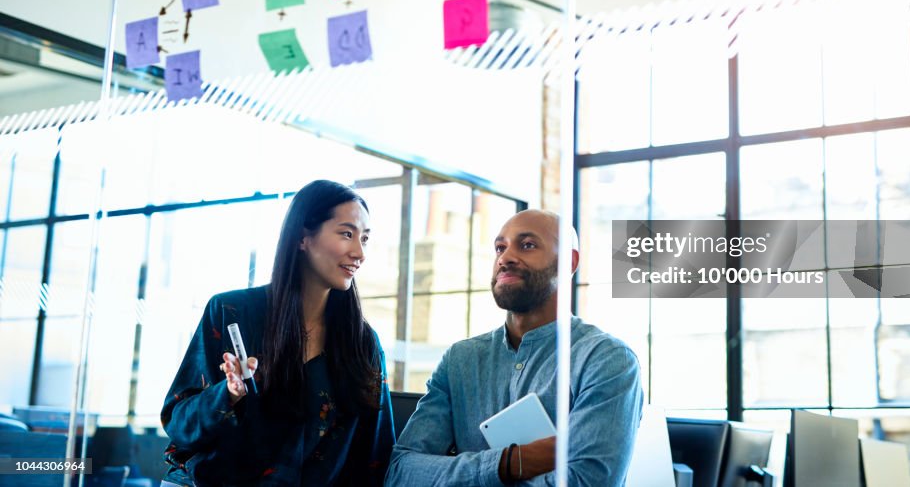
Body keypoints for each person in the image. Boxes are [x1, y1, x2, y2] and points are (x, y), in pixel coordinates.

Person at [161, 180, 394, 486]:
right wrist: (229, 394)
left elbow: (376, 451)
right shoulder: (231, 312)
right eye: (346, 234)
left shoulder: (362, 343)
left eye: (364, 238)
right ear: (302, 238)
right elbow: (179, 421)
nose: (359, 252)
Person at [385, 209, 643, 486]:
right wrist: (511, 462)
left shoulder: (606, 360)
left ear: (568, 262)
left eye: (527, 245)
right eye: (500, 247)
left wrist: (458, 475)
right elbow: (402, 472)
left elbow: (588, 482)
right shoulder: (460, 360)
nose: (505, 258)